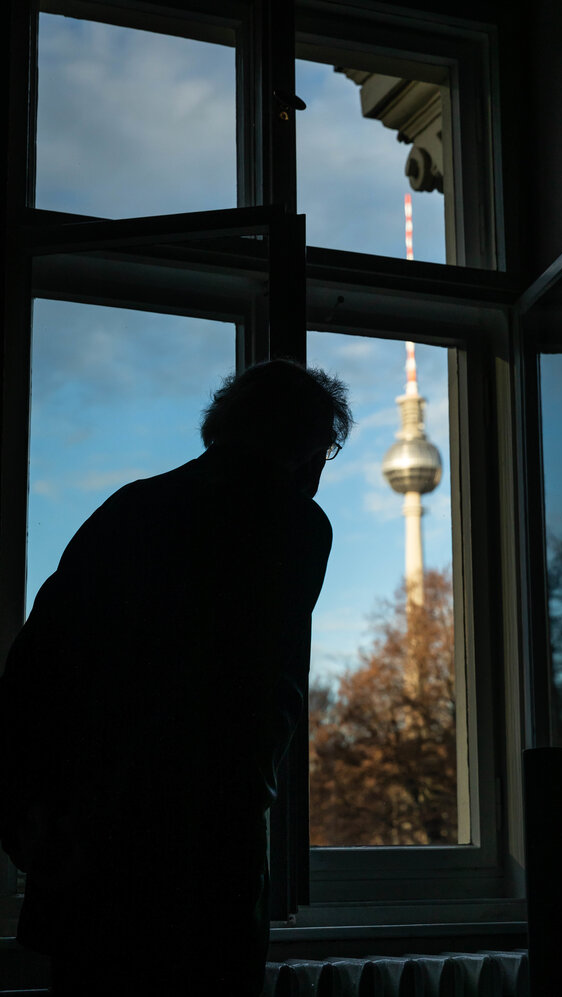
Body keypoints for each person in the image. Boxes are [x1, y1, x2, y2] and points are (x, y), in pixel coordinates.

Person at [0, 359, 352, 996]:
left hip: (90, 841)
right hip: (203, 844)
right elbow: (257, 692)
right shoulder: (294, 523)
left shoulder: (131, 507)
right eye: (324, 450)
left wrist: (29, 812)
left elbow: (36, 662)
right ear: (304, 447)